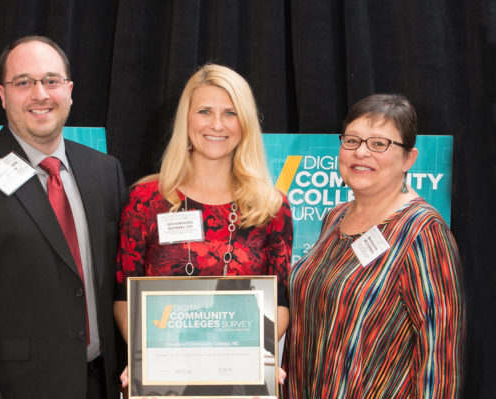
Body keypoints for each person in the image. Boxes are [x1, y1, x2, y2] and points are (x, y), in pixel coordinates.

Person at [0, 35, 127, 398]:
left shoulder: (105, 171)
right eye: (23, 83)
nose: (40, 94)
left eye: (51, 80)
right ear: (2, 94)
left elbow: (120, 282)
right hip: (17, 389)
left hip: (104, 383)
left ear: (70, 90)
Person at [113, 64, 293, 389]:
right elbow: (124, 296)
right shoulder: (145, 200)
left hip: (240, 382)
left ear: (245, 123)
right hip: (165, 383)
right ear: (186, 119)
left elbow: (280, 302)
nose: (217, 124)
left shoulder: (271, 207)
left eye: (230, 113)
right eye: (205, 111)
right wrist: (147, 356)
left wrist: (252, 356)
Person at [285, 94, 464, 397]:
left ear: (409, 158)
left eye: (379, 143)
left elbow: (440, 354)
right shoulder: (334, 217)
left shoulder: (423, 230)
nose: (361, 153)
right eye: (352, 140)